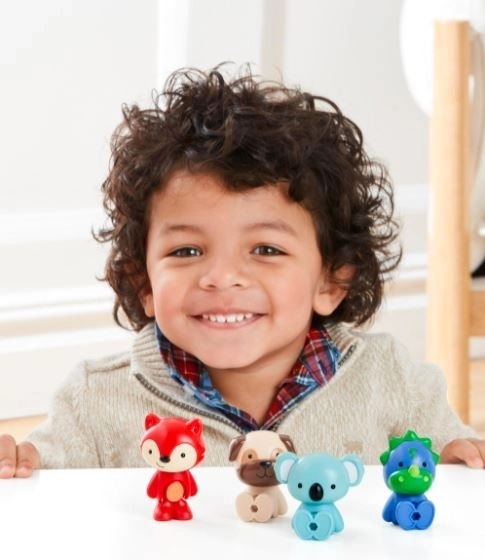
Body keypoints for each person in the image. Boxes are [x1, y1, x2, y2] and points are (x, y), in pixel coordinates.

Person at [1, 65, 484, 478]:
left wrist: (459, 462)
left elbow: (453, 464)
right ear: (143, 283)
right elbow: (43, 491)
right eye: (187, 250)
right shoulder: (94, 401)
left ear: (332, 281)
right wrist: (19, 465)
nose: (223, 277)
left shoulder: (393, 382)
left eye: (266, 249)